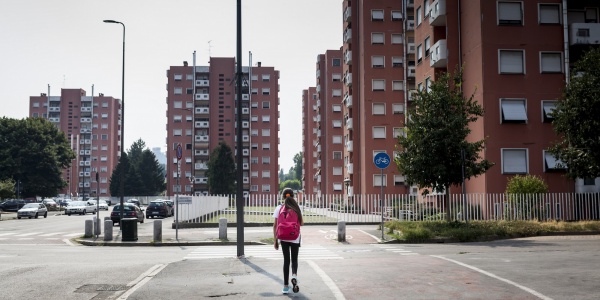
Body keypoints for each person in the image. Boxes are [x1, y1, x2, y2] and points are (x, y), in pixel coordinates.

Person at [273, 188, 304, 294]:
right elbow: (301, 223)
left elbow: (275, 225)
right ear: (293, 196)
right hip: (295, 237)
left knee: (286, 260)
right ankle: (294, 275)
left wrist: (275, 240)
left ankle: (285, 286)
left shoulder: (279, 208)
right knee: (294, 259)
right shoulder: (297, 207)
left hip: (283, 237)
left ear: (283, 197)